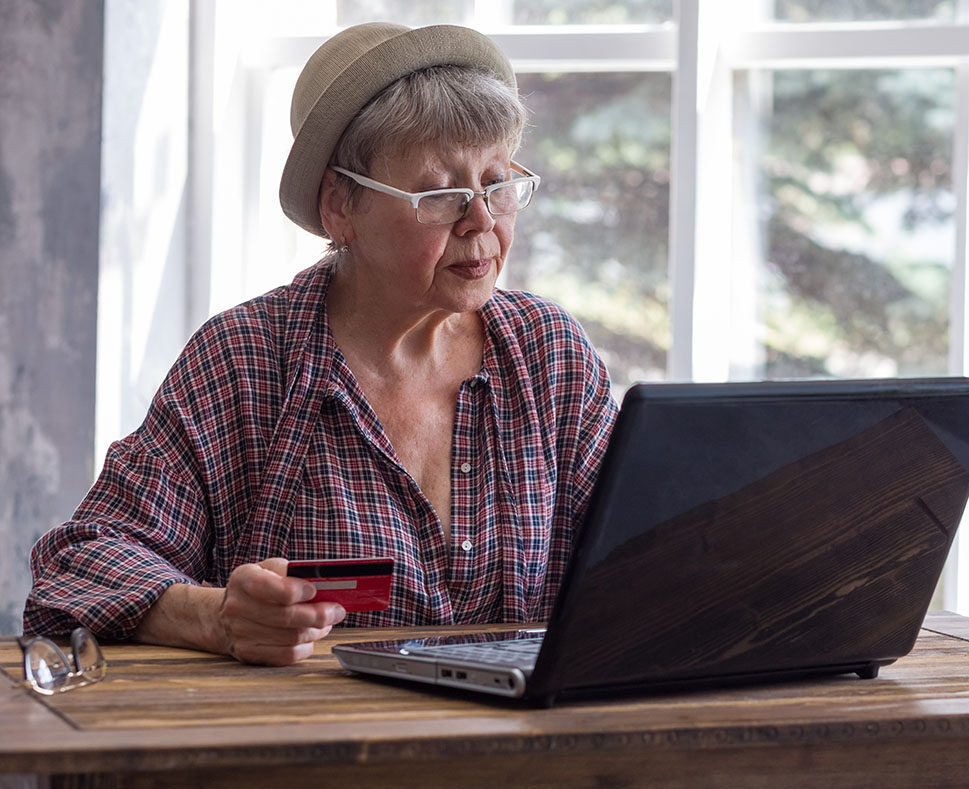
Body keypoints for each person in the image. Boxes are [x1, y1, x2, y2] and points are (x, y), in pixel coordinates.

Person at [24, 22, 617, 666]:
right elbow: (82, 561)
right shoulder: (246, 360)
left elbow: (643, 555)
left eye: (498, 184)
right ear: (341, 207)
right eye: (442, 194)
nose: (482, 221)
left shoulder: (547, 354)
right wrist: (217, 615)